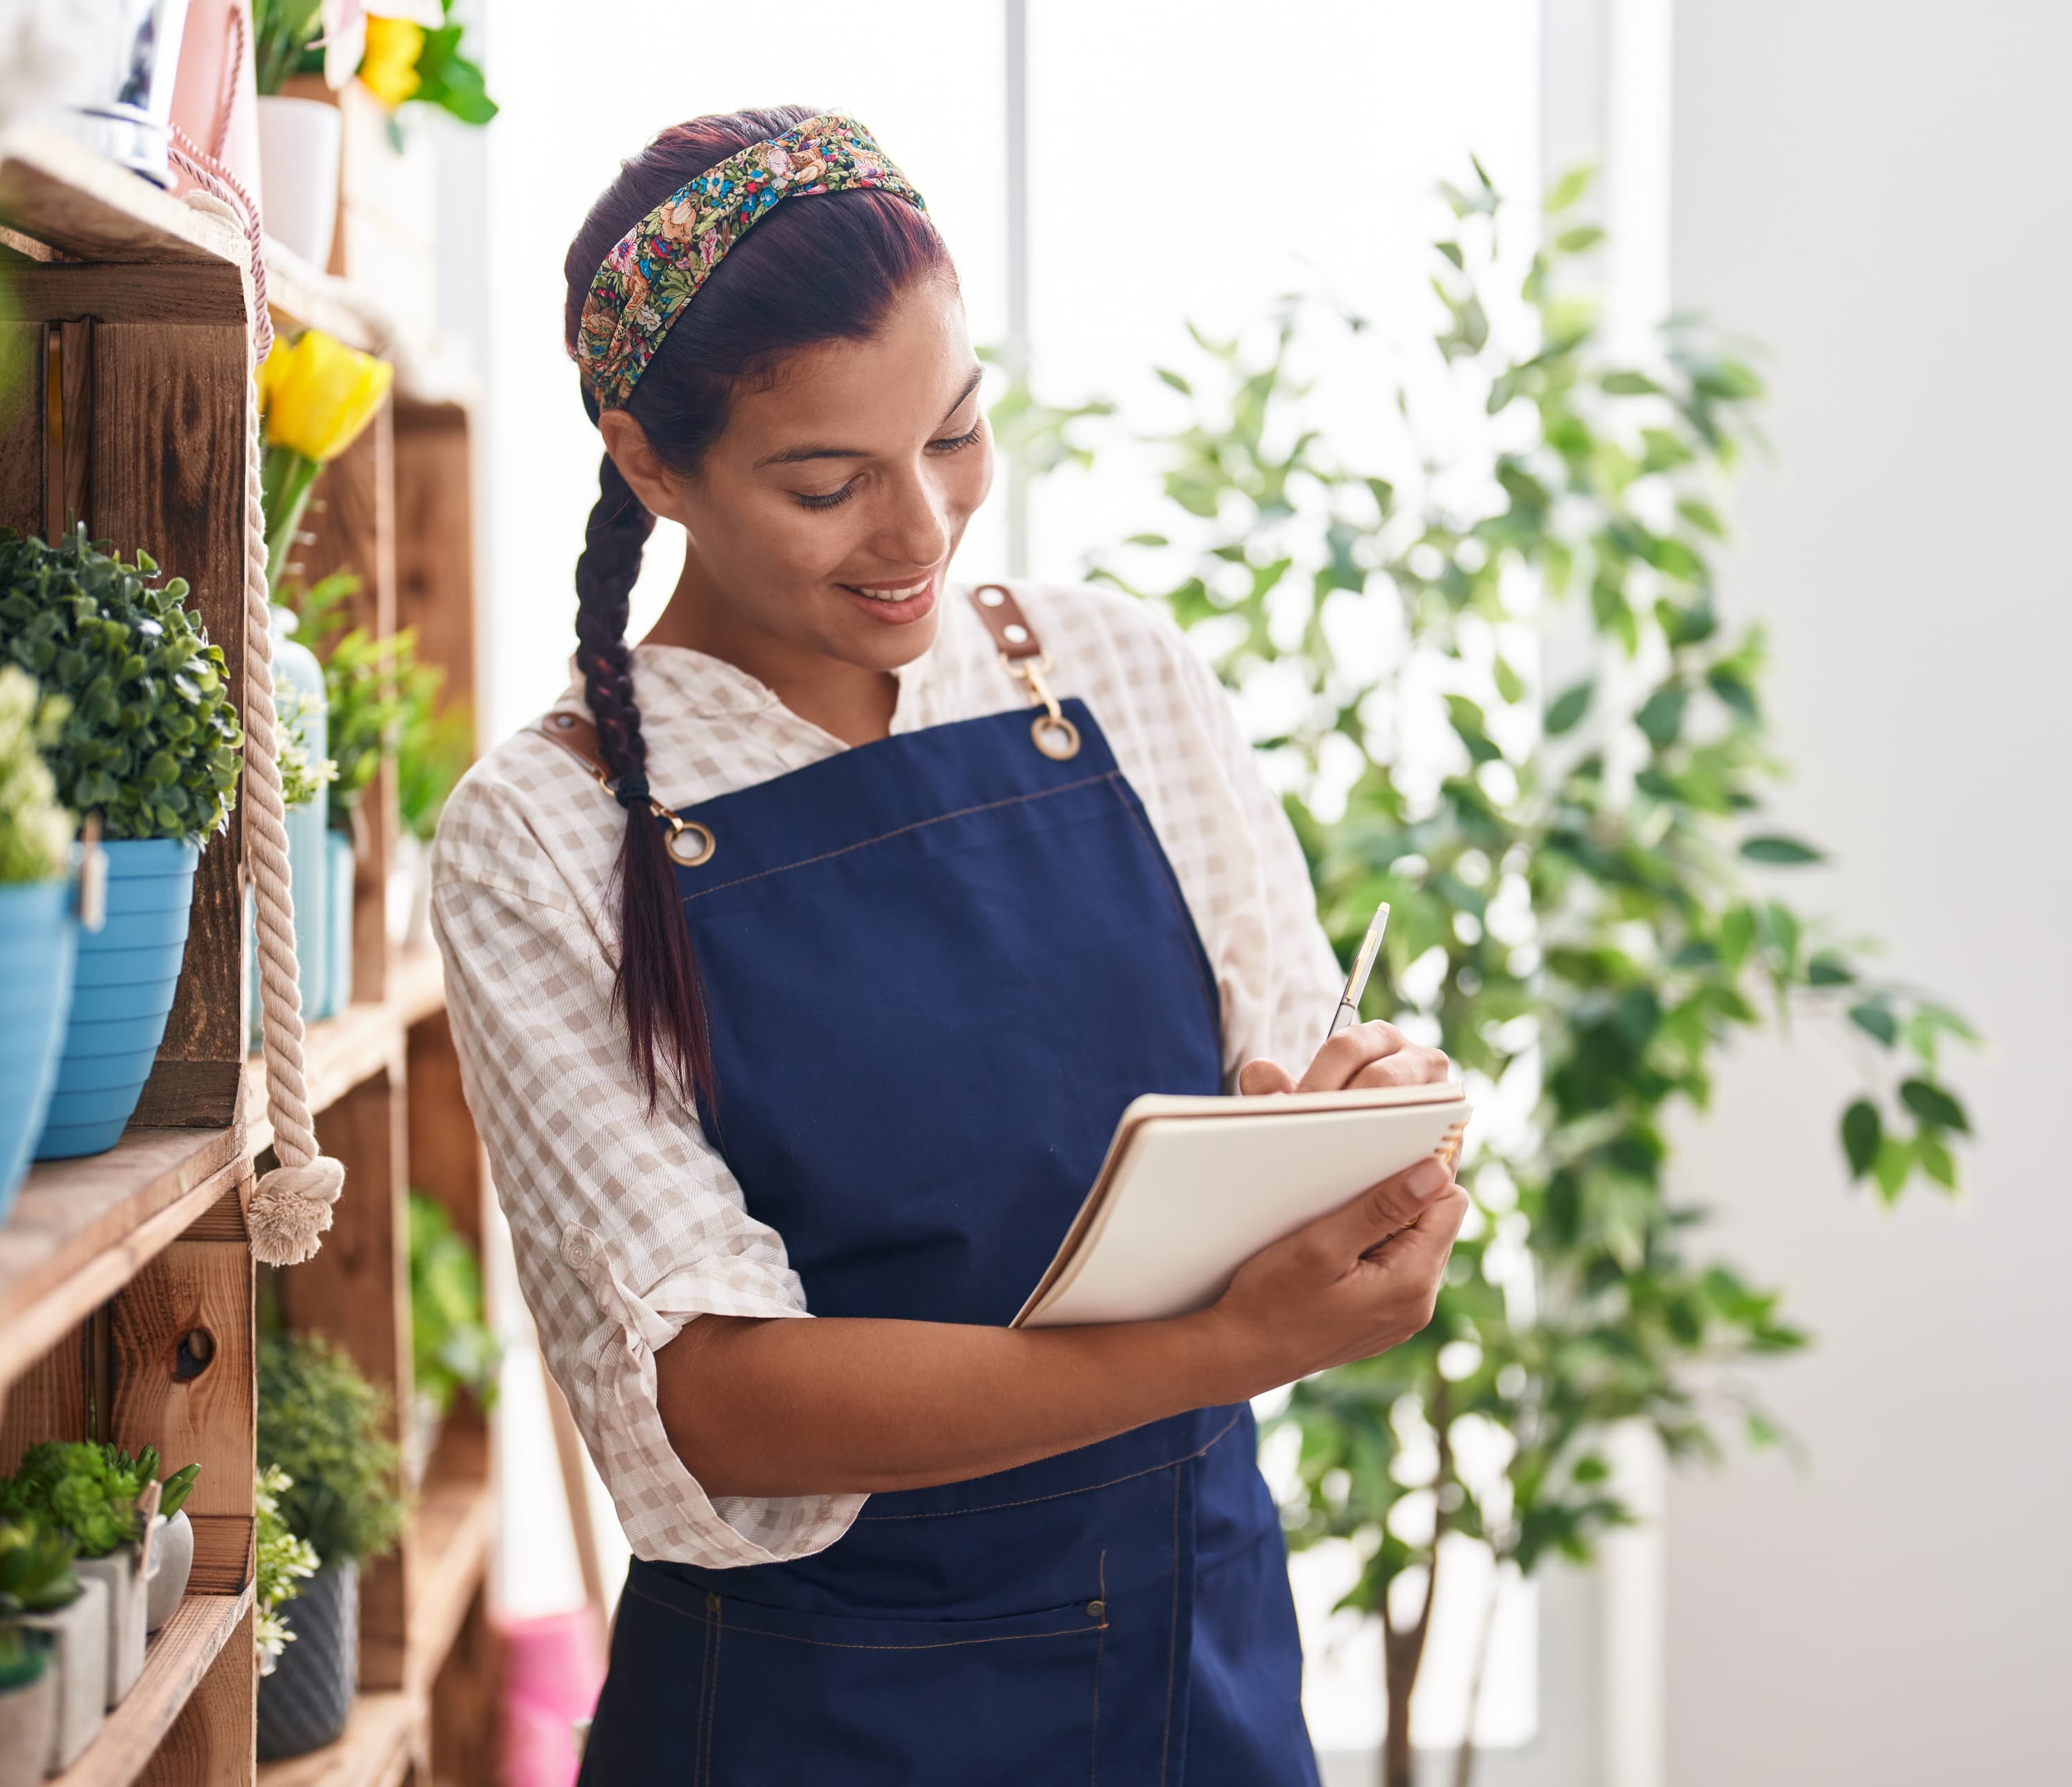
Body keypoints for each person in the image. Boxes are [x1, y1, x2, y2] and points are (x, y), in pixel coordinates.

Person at [431, 106, 1466, 1784]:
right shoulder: (545, 836)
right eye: (828, 483)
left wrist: (1374, 1120)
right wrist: (1224, 1350)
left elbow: (1288, 1089)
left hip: (1197, 1674)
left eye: (957, 434)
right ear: (648, 461)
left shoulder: (1113, 677)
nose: (920, 530)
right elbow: (721, 1396)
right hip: (820, 1720)